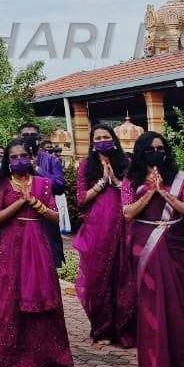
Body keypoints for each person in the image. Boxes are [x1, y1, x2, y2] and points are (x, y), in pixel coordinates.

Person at [122, 131, 184, 367]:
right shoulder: (130, 180)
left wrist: (165, 193)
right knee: (153, 304)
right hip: (146, 245)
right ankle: (155, 365)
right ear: (141, 152)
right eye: (151, 149)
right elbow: (127, 214)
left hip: (176, 243)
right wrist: (150, 193)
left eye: (161, 149)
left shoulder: (181, 178)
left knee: (180, 303)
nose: (157, 153)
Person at [0, 138, 75, 367]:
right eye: (13, 157)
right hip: (9, 249)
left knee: (43, 300)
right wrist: (21, 201)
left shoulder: (43, 184)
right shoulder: (2, 184)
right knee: (7, 300)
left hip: (38, 249)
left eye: (23, 155)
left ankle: (45, 360)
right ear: (8, 162)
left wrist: (35, 203)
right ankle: (6, 359)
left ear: (31, 158)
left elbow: (55, 218)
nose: (19, 160)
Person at [72, 123, 135, 346]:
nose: (101, 141)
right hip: (97, 229)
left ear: (114, 139)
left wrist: (116, 182)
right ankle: (103, 328)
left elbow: (133, 194)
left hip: (122, 225)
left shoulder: (125, 163)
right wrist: (101, 183)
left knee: (123, 275)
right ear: (92, 143)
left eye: (105, 137)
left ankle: (124, 328)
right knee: (97, 277)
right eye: (96, 139)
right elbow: (81, 199)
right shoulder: (86, 165)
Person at [18, 122, 66, 195]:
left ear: (39, 139)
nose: (29, 138)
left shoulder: (52, 160)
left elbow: (60, 187)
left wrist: (38, 169)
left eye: (33, 135)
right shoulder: (12, 159)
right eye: (25, 135)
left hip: (44, 204)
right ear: (19, 138)